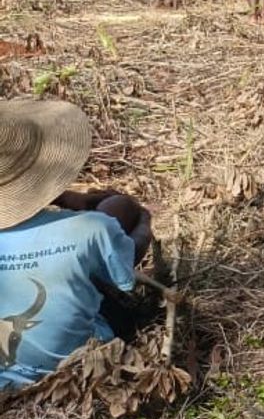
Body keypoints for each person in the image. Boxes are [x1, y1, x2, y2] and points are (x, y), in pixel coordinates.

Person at [0, 100, 153, 389]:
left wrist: (66, 199)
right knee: (120, 208)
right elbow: (128, 270)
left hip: (5, 379)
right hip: (77, 366)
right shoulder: (91, 229)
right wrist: (145, 221)